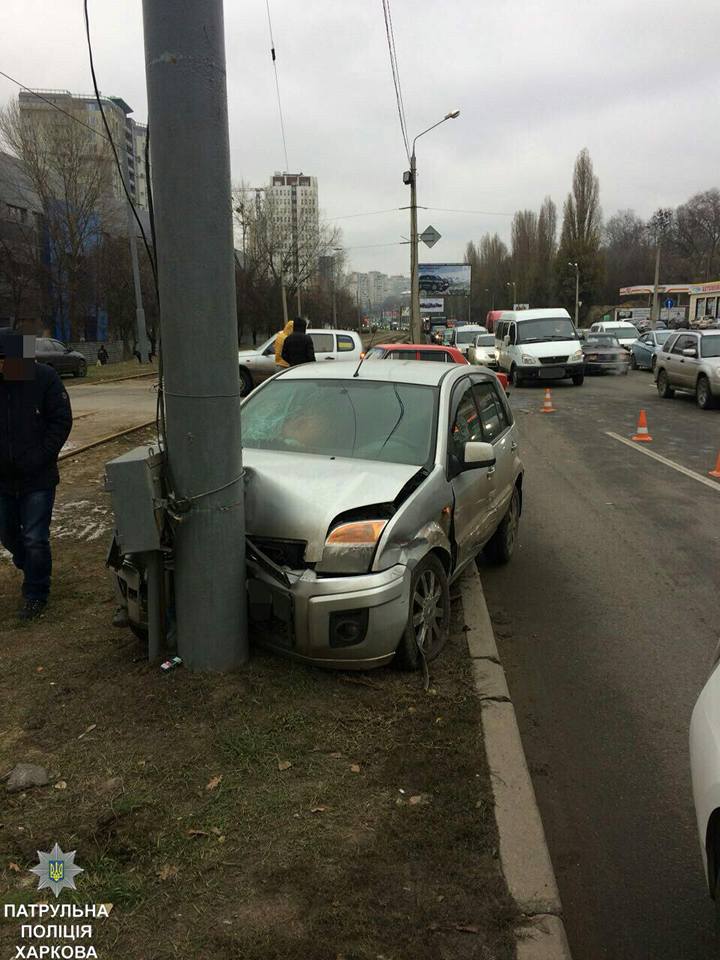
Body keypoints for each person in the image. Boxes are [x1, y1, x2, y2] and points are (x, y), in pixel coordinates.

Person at [0, 333, 73, 620]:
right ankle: (31, 567)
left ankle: (36, 592)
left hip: (38, 477)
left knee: (34, 538)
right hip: (3, 479)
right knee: (8, 535)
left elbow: (61, 420)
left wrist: (41, 456)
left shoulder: (44, 378)